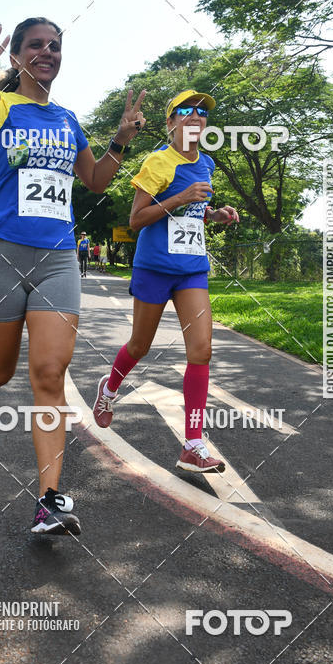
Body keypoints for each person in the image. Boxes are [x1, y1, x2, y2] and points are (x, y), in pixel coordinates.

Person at [0, 18, 146, 536]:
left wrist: (121, 142)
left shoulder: (68, 120)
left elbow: (94, 179)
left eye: (55, 46)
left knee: (48, 375)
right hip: (3, 255)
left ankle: (50, 500)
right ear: (18, 57)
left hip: (59, 258)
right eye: (36, 46)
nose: (48, 52)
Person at [92, 89, 239, 473]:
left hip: (191, 269)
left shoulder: (205, 162)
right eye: (186, 111)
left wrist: (215, 214)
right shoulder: (158, 162)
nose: (196, 117)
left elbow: (194, 210)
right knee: (140, 346)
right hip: (155, 267)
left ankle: (192, 444)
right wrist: (180, 198)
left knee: (202, 350)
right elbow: (136, 219)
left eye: (202, 112)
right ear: (171, 122)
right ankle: (109, 389)